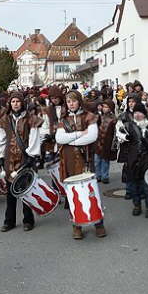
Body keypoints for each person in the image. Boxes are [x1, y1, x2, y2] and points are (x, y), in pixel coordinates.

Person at [55, 90, 106, 239]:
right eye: (68, 101)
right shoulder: (63, 119)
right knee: (73, 193)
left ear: (79, 101)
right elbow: (59, 138)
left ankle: (99, 223)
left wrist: (72, 141)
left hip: (86, 158)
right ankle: (76, 225)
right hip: (69, 158)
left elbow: (92, 136)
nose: (71, 104)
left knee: (91, 191)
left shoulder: (89, 116)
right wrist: (78, 134)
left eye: (73, 100)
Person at [0, 92, 43, 232]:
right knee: (10, 192)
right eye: (13, 101)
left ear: (22, 103)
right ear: (10, 104)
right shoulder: (5, 120)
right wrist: (0, 156)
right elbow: (0, 138)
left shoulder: (31, 119)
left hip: (25, 158)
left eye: (18, 101)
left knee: (25, 190)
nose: (15, 104)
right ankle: (9, 221)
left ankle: (28, 220)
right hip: (10, 159)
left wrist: (31, 156)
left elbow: (35, 137)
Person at [116, 102, 148, 217]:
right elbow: (120, 137)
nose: (138, 115)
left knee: (147, 186)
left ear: (144, 114)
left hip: (147, 160)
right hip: (132, 160)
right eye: (136, 113)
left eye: (140, 113)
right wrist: (123, 137)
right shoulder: (128, 126)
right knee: (133, 186)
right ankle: (136, 205)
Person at [94, 99, 116, 184]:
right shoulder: (100, 116)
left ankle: (105, 176)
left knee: (105, 160)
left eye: (106, 107)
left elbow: (114, 132)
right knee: (97, 160)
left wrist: (113, 144)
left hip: (107, 142)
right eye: (103, 106)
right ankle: (98, 175)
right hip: (99, 140)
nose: (104, 108)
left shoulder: (113, 118)